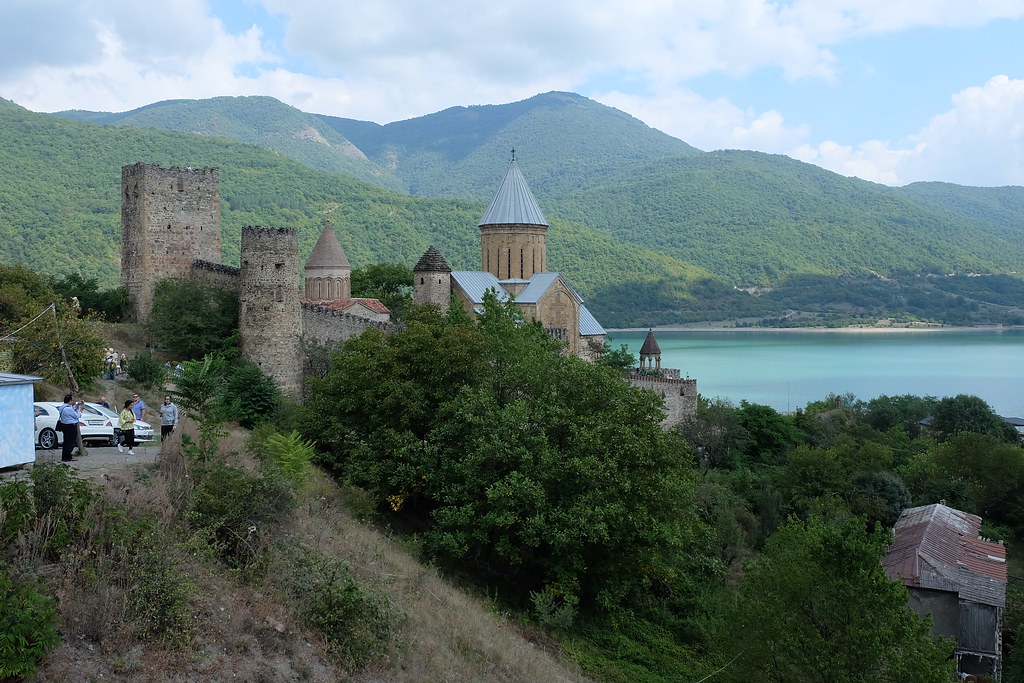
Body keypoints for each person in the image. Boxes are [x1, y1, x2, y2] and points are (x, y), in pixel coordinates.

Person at [58, 394, 83, 462]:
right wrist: (80, 410)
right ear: (70, 401)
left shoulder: (62, 407)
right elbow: (77, 415)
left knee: (66, 442)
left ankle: (65, 456)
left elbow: (73, 409)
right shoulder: (68, 409)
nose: (73, 402)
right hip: (71, 426)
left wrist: (77, 405)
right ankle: (67, 456)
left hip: (64, 426)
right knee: (71, 442)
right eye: (72, 400)